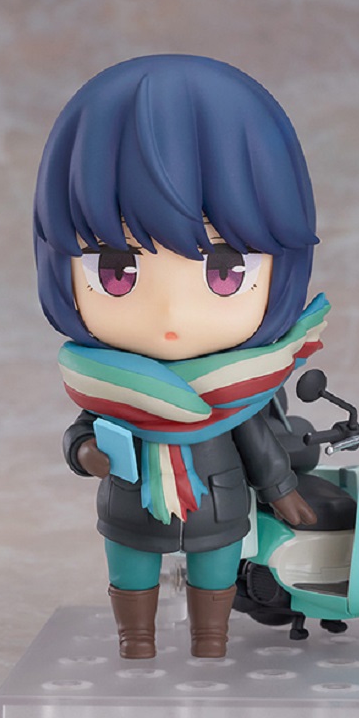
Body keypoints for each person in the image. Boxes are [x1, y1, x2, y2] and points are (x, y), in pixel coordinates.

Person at [33, 54, 329, 659]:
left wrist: (280, 490)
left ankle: (211, 639)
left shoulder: (239, 390)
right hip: (130, 507)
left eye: (225, 271)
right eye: (116, 270)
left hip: (218, 504)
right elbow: (83, 429)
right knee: (131, 571)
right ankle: (135, 639)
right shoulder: (108, 388)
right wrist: (86, 453)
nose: (170, 314)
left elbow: (255, 438)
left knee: (216, 572)